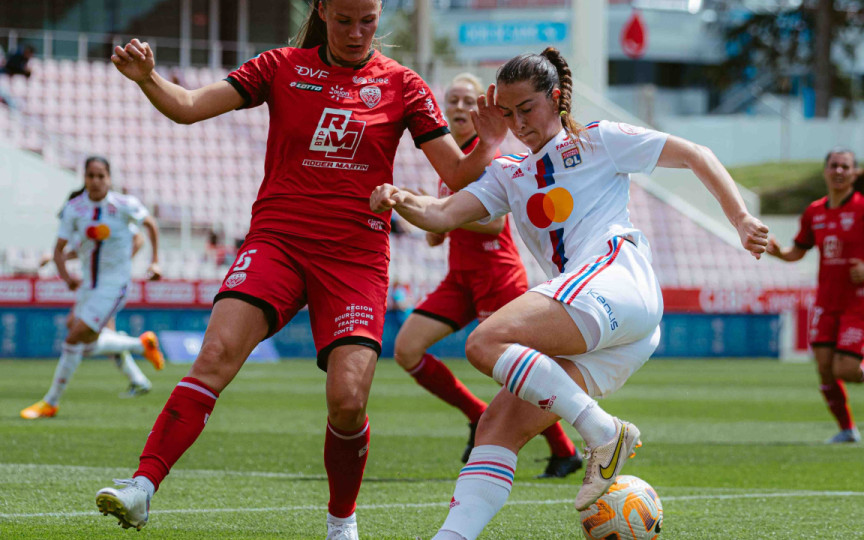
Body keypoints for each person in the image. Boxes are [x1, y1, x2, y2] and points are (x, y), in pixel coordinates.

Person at [93, 1, 505, 538]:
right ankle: (142, 486)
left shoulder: (403, 84)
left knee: (348, 402)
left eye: (368, 21)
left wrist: (489, 141)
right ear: (323, 11)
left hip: (355, 257)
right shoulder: (280, 66)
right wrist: (149, 79)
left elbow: (457, 171)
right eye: (345, 20)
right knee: (215, 356)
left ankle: (341, 523)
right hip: (278, 242)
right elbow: (189, 107)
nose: (356, 33)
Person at [369, 47, 769, 540]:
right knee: (496, 428)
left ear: (556, 98)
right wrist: (399, 198)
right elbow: (441, 214)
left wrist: (740, 218)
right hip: (615, 332)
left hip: (617, 280)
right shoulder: (508, 172)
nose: (519, 124)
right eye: (508, 114)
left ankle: (604, 432)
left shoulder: (599, 140)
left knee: (485, 341)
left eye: (527, 109)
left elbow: (694, 154)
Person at [392, 72, 581, 477]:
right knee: (407, 349)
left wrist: (441, 214)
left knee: (509, 371)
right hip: (460, 277)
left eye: (468, 101)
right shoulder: (453, 164)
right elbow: (440, 234)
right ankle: (476, 413)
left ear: (482, 110)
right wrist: (430, 222)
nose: (459, 107)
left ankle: (565, 450)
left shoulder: (488, 157)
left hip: (497, 275)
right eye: (453, 101)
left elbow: (494, 224)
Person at [766, 152, 864, 443]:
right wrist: (778, 253)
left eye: (845, 166)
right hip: (826, 301)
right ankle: (847, 429)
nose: (839, 171)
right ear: (825, 171)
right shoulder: (814, 212)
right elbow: (797, 252)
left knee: (846, 370)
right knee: (825, 369)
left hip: (858, 301)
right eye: (834, 166)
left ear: (854, 173)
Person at [19, 156, 166, 420]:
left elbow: (148, 227)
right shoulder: (75, 209)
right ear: (84, 178)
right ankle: (140, 346)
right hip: (89, 284)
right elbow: (61, 249)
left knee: (74, 339)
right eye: (91, 176)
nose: (96, 181)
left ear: (109, 178)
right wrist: (66, 276)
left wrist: (154, 262)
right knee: (83, 342)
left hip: (113, 286)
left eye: (101, 176)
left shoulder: (124, 205)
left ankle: (50, 402)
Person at [37, 201, 158, 399]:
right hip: (93, 286)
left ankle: (140, 349)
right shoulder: (85, 225)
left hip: (107, 287)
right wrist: (54, 258)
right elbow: (84, 251)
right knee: (90, 333)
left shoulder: (107, 216)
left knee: (84, 337)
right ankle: (139, 376)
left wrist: (119, 263)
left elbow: (139, 238)